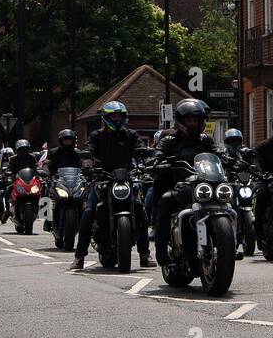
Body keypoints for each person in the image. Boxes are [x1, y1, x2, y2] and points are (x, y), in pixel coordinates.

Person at [70, 102, 147, 271]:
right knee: (89, 212)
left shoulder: (131, 135)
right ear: (106, 118)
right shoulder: (97, 136)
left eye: (120, 116)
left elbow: (141, 148)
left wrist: (145, 158)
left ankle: (145, 254)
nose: (117, 119)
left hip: (126, 178)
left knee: (140, 208)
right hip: (102, 179)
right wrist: (87, 163)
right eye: (114, 116)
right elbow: (88, 150)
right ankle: (79, 257)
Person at [151, 100, 216, 266]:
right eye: (189, 120)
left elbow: (217, 153)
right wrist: (157, 159)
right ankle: (161, 249)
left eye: (196, 120)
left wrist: (231, 159)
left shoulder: (205, 141)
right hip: (180, 185)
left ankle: (232, 239)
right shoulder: (170, 140)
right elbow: (158, 152)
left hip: (205, 185)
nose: (193, 124)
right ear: (181, 121)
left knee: (228, 198)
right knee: (165, 200)